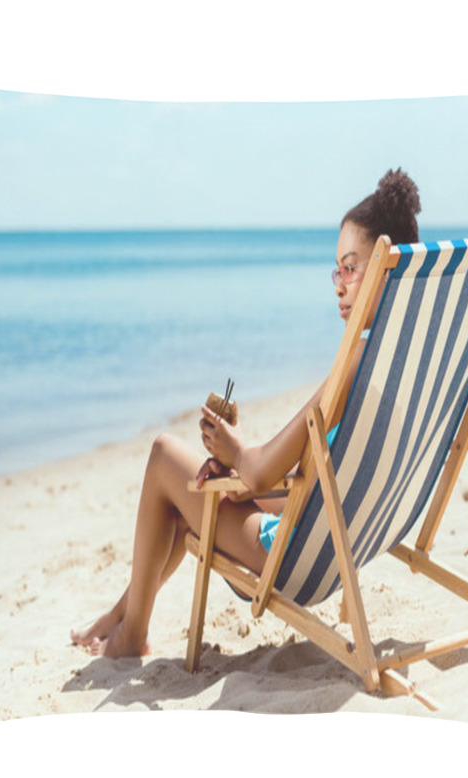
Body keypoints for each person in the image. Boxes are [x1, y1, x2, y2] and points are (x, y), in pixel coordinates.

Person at [71, 168, 421, 658]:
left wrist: (232, 449)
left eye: (351, 267)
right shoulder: (410, 356)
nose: (338, 286)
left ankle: (130, 633)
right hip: (349, 533)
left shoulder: (357, 361)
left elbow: (257, 474)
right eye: (335, 271)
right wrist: (237, 462)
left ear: (388, 267)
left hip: (294, 554)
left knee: (162, 456)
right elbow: (315, 475)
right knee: (194, 485)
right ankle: (122, 615)